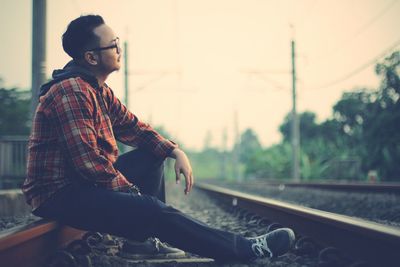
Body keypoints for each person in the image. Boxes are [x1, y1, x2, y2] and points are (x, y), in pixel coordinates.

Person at [22, 14, 295, 261]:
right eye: (113, 45)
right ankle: (246, 249)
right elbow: (90, 164)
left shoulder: (98, 90)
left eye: (118, 42)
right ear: (92, 58)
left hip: (81, 184)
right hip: (58, 194)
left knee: (153, 155)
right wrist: (135, 197)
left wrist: (175, 151)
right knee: (151, 210)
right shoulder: (71, 91)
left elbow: (135, 128)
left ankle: (140, 243)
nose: (120, 49)